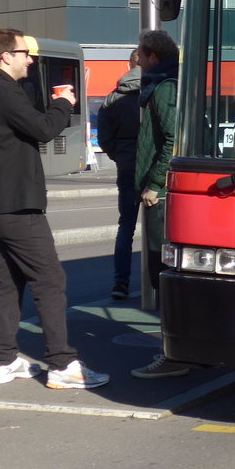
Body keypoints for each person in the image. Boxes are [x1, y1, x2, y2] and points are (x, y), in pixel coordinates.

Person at [0, 28, 108, 390]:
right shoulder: (3, 91)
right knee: (49, 279)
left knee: (6, 280)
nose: (30, 59)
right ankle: (62, 364)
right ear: (5, 56)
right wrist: (64, 103)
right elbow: (44, 128)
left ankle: (2, 360)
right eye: (24, 52)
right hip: (18, 204)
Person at [131, 29, 191, 379]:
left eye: (140, 53)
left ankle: (172, 353)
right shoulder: (165, 84)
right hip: (159, 191)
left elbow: (172, 139)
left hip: (161, 195)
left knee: (160, 271)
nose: (136, 58)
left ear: (152, 56)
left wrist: (154, 183)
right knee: (161, 272)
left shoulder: (164, 87)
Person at [96, 50, 141, 300]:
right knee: (162, 228)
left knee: (126, 226)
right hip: (155, 167)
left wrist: (119, 156)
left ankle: (120, 283)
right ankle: (159, 280)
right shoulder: (158, 93)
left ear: (129, 65)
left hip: (127, 166)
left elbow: (104, 138)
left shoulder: (112, 99)